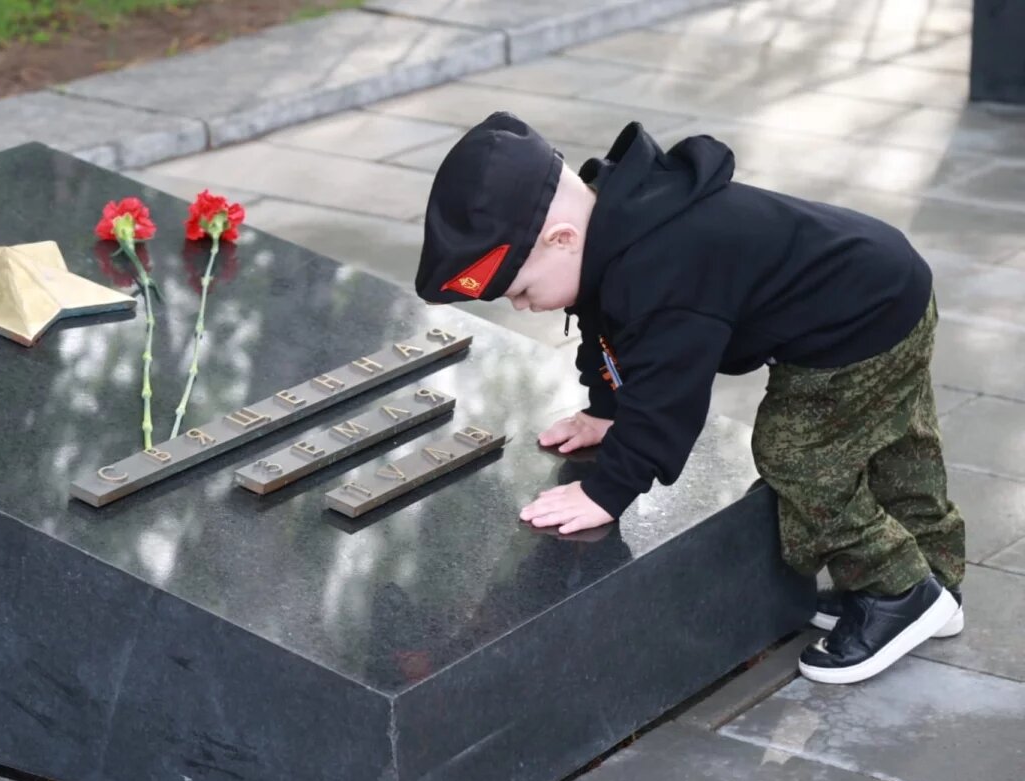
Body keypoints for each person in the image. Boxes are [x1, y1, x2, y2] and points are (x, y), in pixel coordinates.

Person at [413, 111, 966, 685]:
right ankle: (935, 578)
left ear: (562, 238)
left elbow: (667, 397)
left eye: (522, 290)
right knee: (898, 443)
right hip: (886, 284)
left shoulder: (662, 268)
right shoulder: (617, 225)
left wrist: (609, 489)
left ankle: (897, 591)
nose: (523, 306)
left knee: (799, 458)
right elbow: (608, 331)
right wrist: (606, 411)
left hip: (855, 323)